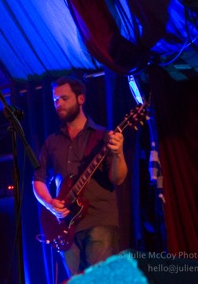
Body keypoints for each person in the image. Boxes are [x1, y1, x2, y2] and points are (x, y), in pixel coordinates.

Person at [33, 76, 127, 277]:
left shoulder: (102, 136)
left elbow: (118, 178)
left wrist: (118, 153)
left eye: (64, 98)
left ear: (81, 99)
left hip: (99, 220)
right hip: (65, 227)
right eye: (55, 100)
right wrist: (50, 203)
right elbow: (38, 180)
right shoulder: (52, 142)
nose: (58, 104)